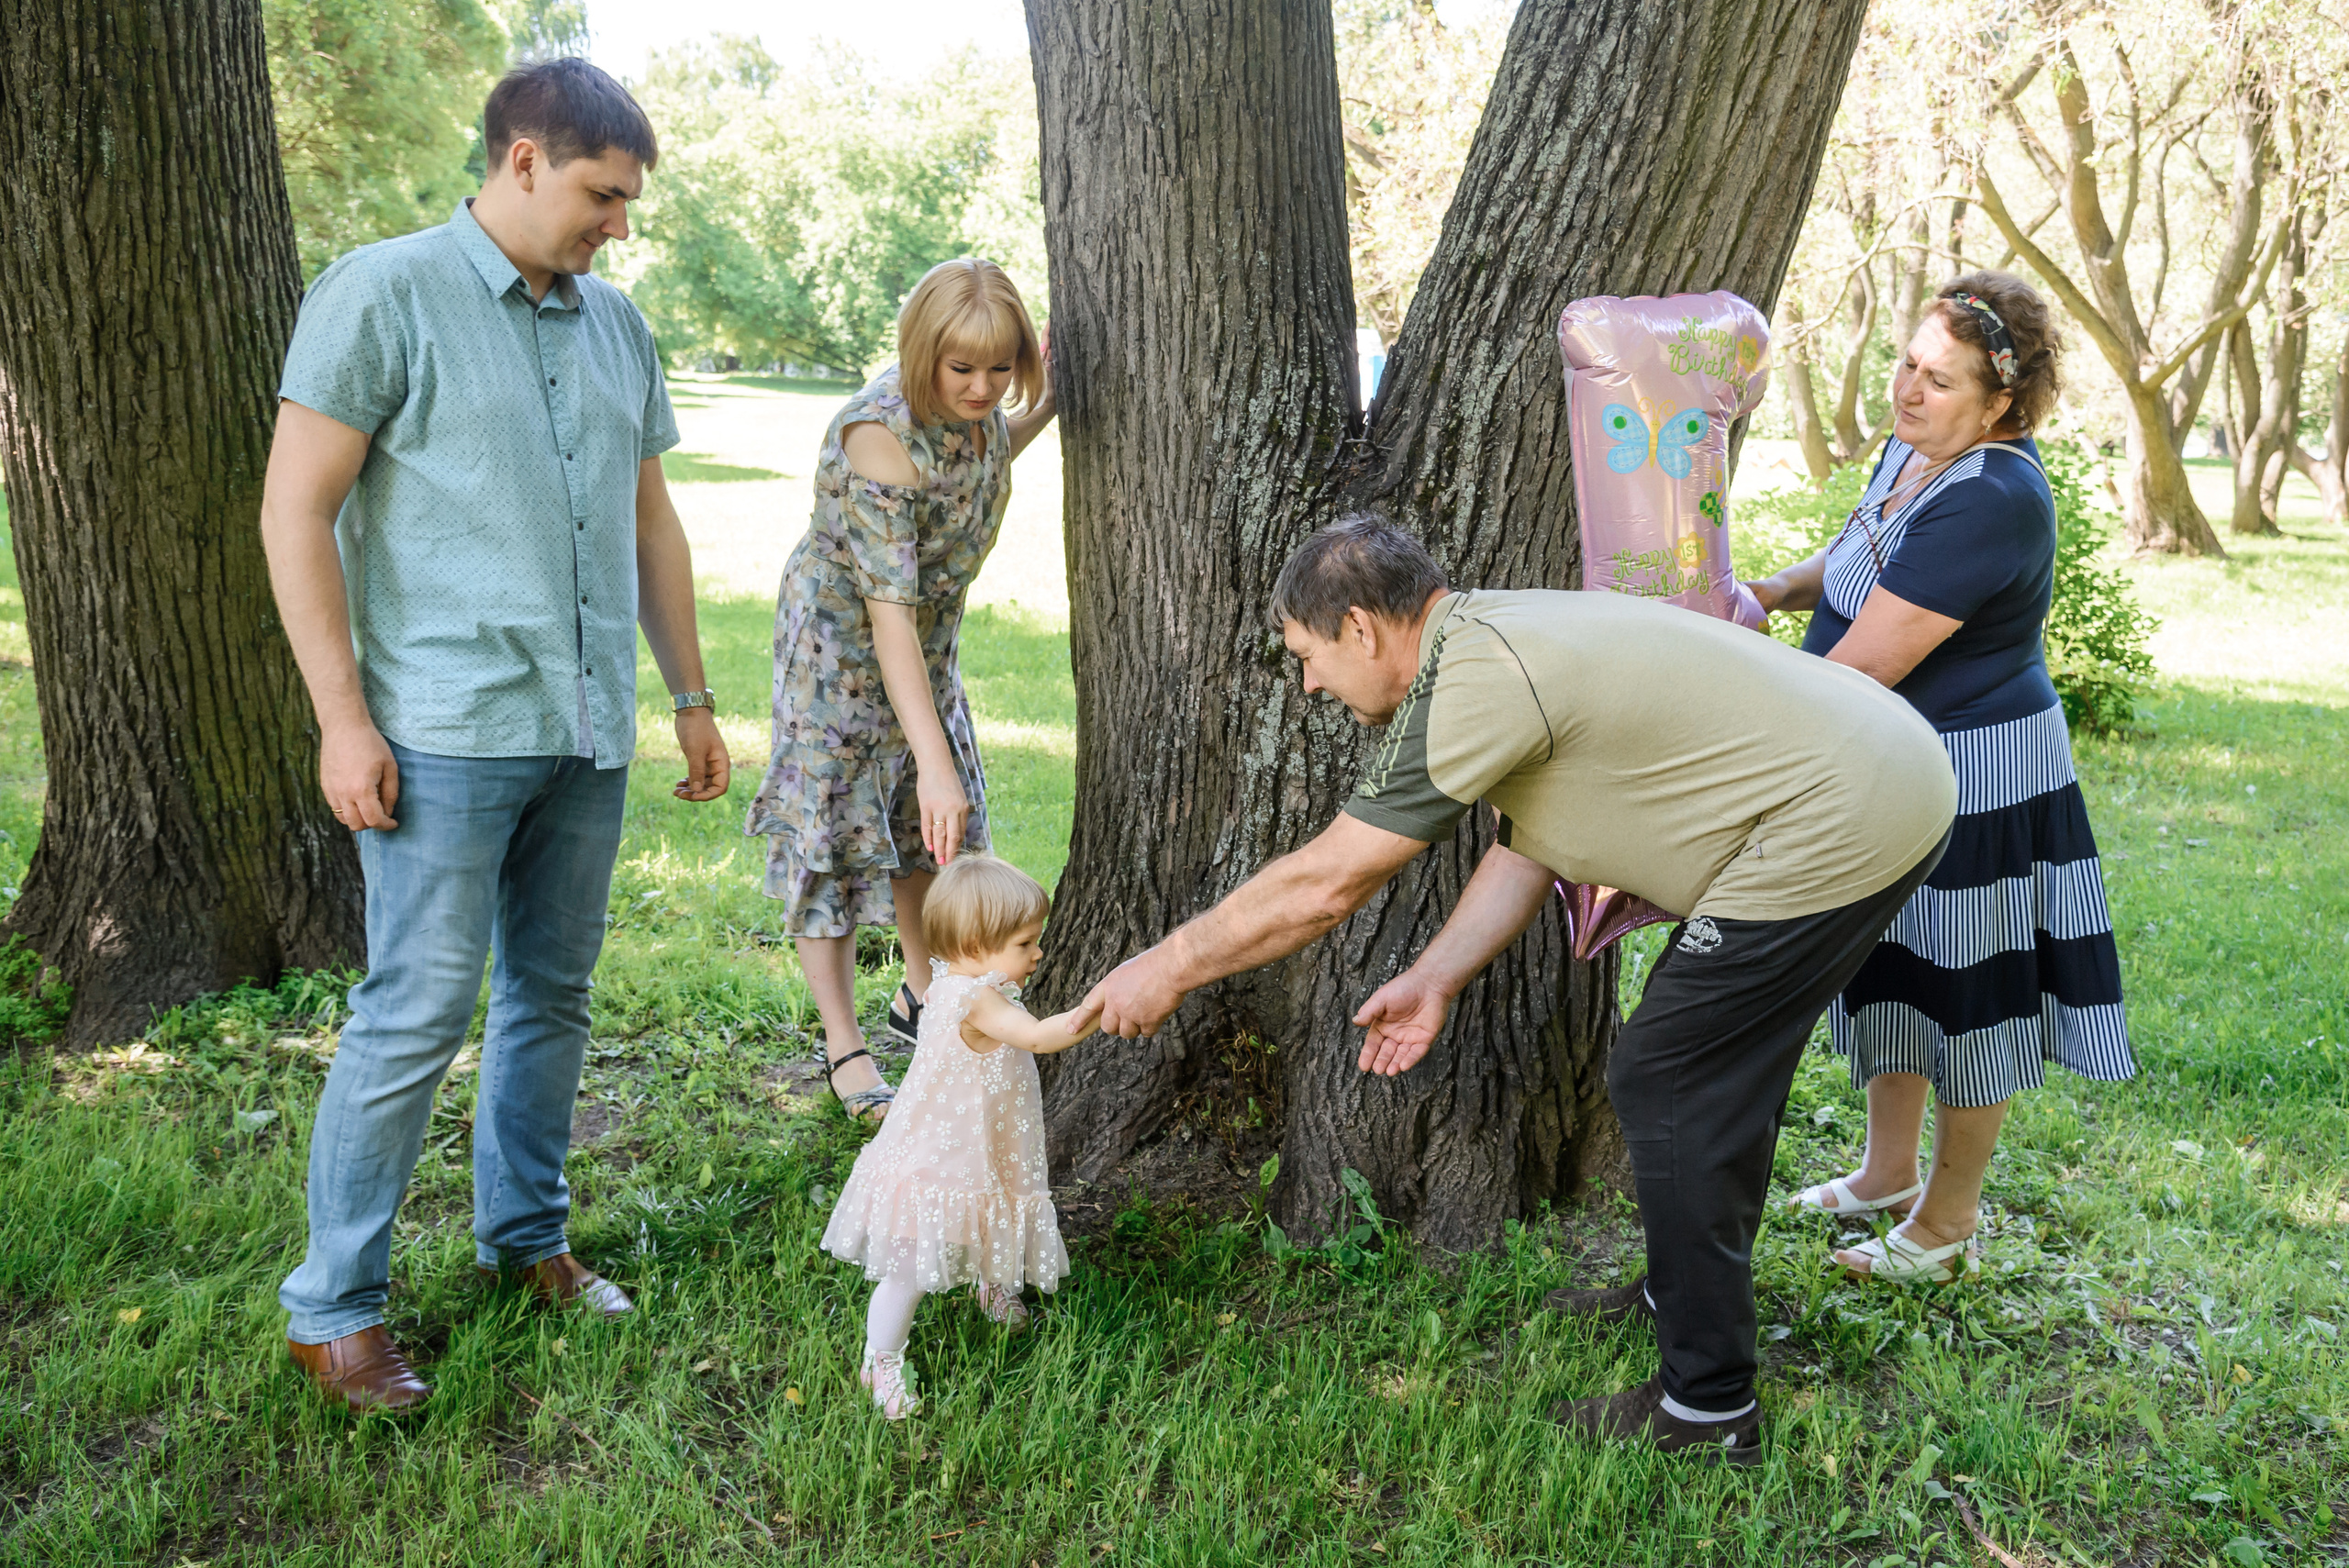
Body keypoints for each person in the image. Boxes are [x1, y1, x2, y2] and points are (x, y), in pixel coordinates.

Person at [1078, 517, 1956, 1462]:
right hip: (1876, 776)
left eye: (1308, 656)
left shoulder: (1480, 677)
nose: (1310, 684)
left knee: (1670, 1077)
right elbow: (1529, 843)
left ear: (1361, 628)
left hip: (1845, 815)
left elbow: (1328, 882)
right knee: (1702, 1074)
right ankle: (1680, 1291)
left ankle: (1708, 1408)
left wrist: (1168, 964)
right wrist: (1436, 975)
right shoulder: (1493, 636)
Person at [260, 60, 730, 1412]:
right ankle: (333, 1311)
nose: (618, 224)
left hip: (586, 725)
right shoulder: (380, 292)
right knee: (414, 1009)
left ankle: (527, 1239)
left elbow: (649, 521)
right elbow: (295, 511)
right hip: (443, 726)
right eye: (601, 194)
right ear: (523, 159)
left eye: (628, 201)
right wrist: (341, 720)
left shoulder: (617, 324)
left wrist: (690, 695)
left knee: (553, 996)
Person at [1745, 272, 2132, 1284]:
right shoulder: (1916, 448)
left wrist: (1725, 694)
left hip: (1975, 776)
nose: (1908, 390)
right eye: (1907, 363)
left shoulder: (1993, 498)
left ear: (2002, 403)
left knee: (1967, 986)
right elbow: (1858, 555)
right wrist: (1764, 593)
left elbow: (1861, 665)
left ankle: (1947, 1224)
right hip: (1896, 758)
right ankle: (1886, 1173)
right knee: (1894, 962)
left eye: (1940, 379)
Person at [746, 259, 1057, 1126]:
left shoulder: (979, 413)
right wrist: (935, 759)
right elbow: (887, 616)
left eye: (1001, 367)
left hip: (927, 643)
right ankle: (844, 1044)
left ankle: (926, 996)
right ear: (923, 352)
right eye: (962, 368)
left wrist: (1048, 401)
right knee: (840, 840)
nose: (983, 388)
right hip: (841, 656)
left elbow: (983, 449)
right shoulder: (876, 435)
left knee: (930, 837)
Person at [819, 854, 1094, 1418]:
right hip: (939, 1157)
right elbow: (1039, 1037)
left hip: (974, 1140)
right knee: (910, 1269)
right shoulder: (976, 999)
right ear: (974, 946)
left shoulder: (950, 983)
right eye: (1025, 943)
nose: (1039, 953)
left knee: (983, 1207)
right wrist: (1100, 1006)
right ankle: (881, 1359)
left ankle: (988, 1282)